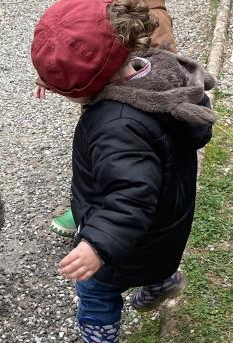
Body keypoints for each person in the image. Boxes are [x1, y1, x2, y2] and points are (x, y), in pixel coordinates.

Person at [30, 0, 216, 343]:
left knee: (95, 291)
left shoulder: (116, 126)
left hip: (130, 241)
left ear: (84, 88)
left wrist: (98, 244)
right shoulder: (158, 72)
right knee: (157, 260)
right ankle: (161, 284)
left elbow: (130, 195)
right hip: (168, 221)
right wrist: (63, 78)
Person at [46, 0, 178, 237]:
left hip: (132, 109)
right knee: (99, 154)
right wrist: (52, 74)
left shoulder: (153, 17)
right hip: (105, 99)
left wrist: (99, 243)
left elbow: (164, 69)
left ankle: (102, 218)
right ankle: (90, 208)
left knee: (125, 166)